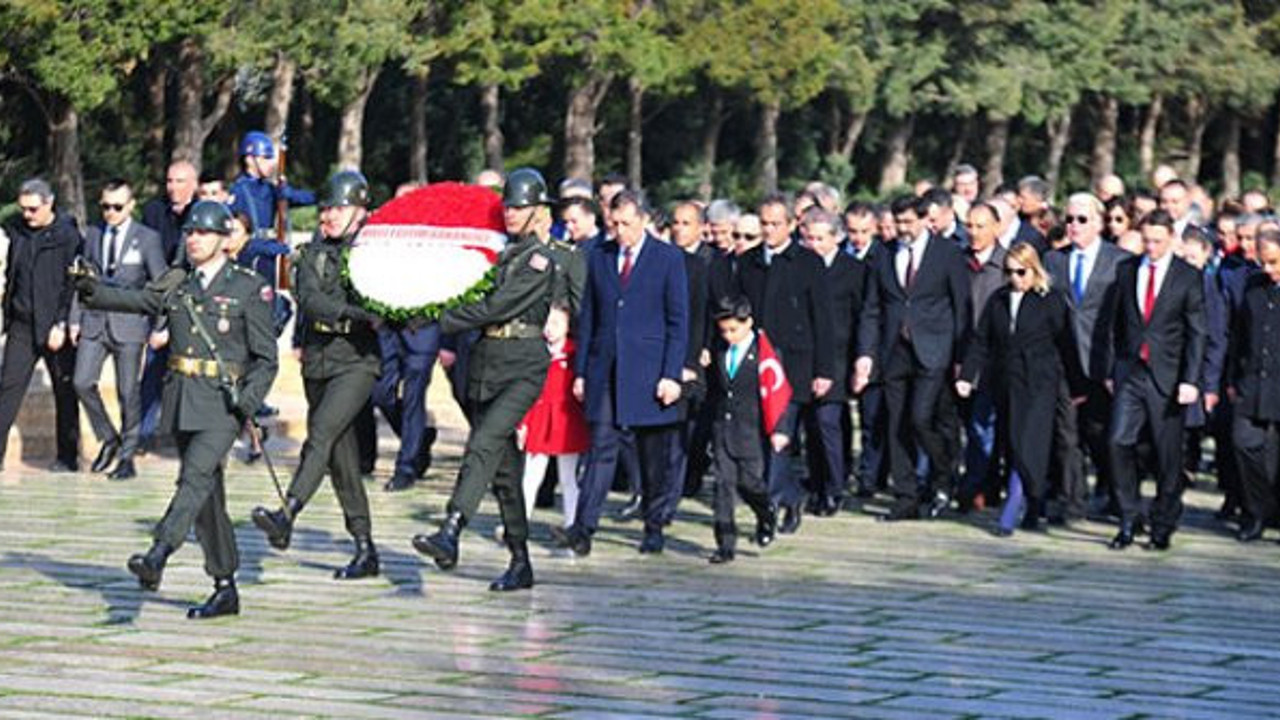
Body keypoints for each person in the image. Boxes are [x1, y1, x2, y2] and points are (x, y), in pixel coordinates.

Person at [75, 200, 278, 618]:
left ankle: (158, 554)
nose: (194, 239)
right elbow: (138, 301)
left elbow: (266, 359)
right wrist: (90, 290)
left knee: (194, 477)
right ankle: (225, 585)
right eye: (190, 232)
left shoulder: (247, 286)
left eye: (203, 233)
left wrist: (250, 402)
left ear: (223, 240)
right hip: (184, 397)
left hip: (225, 402)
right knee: (205, 498)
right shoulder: (178, 281)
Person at [411, 167, 570, 592]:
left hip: (523, 365)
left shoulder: (541, 259)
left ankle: (451, 529)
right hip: (486, 363)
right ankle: (521, 561)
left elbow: (496, 306)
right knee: (503, 471)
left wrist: (437, 317)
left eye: (520, 206)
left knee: (482, 443)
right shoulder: (500, 254)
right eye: (508, 206)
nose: (512, 213)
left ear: (539, 210)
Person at [250, 171, 385, 580]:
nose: (327, 215)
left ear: (360, 211)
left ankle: (287, 512)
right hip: (320, 358)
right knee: (341, 459)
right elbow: (311, 300)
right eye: (325, 208)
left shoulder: (376, 253)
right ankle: (365, 547)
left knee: (322, 433)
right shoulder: (310, 252)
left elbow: (385, 299)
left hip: (357, 362)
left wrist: (365, 314)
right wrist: (357, 315)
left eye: (337, 208)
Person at [566, 190, 689, 555]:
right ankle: (583, 528)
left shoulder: (667, 259)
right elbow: (589, 317)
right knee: (601, 446)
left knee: (652, 455)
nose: (619, 232)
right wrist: (582, 371)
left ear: (644, 221)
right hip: (606, 368)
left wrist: (671, 374)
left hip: (650, 371)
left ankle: (653, 525)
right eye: (613, 224)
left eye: (626, 225)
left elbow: (677, 321)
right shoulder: (600, 257)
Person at [855, 194, 971, 521]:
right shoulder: (883, 254)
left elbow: (961, 306)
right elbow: (872, 308)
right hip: (894, 351)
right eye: (898, 222)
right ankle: (906, 497)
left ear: (924, 219)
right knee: (896, 424)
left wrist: (962, 357)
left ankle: (943, 474)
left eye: (908, 222)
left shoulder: (947, 253)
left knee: (921, 417)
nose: (902, 229)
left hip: (934, 350)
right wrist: (865, 354)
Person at [957, 243, 1085, 536]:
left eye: (1021, 271)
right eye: (1009, 272)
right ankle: (1034, 502)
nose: (1016, 278)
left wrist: (1078, 386)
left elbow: (1067, 344)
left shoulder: (1051, 300)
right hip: (1007, 382)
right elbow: (982, 341)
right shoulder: (999, 300)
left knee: (1030, 443)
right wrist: (967, 375)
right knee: (1014, 441)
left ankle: (1014, 506)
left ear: (1034, 269)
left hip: (1041, 382)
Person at [1107, 210, 1206, 552]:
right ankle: (1129, 517)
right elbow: (1115, 323)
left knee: (1167, 456)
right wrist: (1112, 369)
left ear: (1171, 240)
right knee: (1118, 441)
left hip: (1169, 376)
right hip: (1131, 372)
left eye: (1157, 241)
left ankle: (1163, 523)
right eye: (1146, 240)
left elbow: (1197, 332)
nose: (1150, 247)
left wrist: (1191, 380)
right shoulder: (1126, 270)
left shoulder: (1187, 277)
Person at [735, 195, 834, 533]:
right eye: (763, 223)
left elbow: (823, 320)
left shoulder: (809, 263)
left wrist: (824, 370)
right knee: (759, 440)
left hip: (793, 365)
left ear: (792, 225)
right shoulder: (747, 262)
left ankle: (773, 506)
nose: (769, 230)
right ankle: (790, 495)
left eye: (776, 223)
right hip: (755, 364)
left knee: (780, 437)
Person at [69, 179, 167, 480]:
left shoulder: (146, 238)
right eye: (105, 206)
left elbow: (161, 283)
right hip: (95, 321)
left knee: (128, 391)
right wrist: (74, 318)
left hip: (130, 324)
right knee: (82, 382)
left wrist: (161, 326)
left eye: (117, 206)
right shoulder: (95, 233)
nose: (110, 212)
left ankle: (127, 456)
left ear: (131, 205)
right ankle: (109, 438)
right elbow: (82, 278)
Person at [1045, 193, 1130, 520]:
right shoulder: (1054, 261)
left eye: (1081, 219)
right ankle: (1072, 501)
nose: (1074, 225)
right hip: (1064, 361)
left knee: (1105, 434)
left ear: (1098, 221)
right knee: (1067, 434)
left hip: (1104, 361)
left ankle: (1115, 494)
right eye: (1069, 219)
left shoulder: (1120, 261)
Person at [0, 178, 82, 473]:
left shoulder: (67, 235)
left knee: (65, 390)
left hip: (54, 326)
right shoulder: (18, 231)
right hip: (22, 323)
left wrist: (62, 322)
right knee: (7, 389)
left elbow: (73, 285)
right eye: (23, 209)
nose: (28, 215)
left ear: (49, 203)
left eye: (33, 209)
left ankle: (68, 457)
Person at [706, 296, 785, 563]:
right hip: (722, 428)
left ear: (748, 323)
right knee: (723, 487)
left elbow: (778, 394)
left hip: (752, 429)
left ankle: (766, 514)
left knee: (750, 483)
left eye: (734, 330)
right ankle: (725, 545)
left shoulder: (765, 354)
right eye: (724, 330)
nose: (728, 336)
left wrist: (779, 429)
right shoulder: (719, 349)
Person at [800, 208, 862, 516]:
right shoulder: (799, 266)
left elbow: (861, 316)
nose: (813, 244)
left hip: (838, 357)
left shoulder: (852, 270)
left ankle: (835, 488)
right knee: (811, 426)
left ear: (836, 237)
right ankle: (816, 484)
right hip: (804, 356)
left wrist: (860, 360)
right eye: (808, 237)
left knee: (828, 424)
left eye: (820, 238)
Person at [516, 304, 588, 532]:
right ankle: (519, 524)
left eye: (556, 323)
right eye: (547, 323)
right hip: (539, 419)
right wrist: (522, 424)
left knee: (569, 478)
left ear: (567, 327)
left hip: (567, 422)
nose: (550, 329)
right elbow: (525, 392)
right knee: (530, 476)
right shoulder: (534, 354)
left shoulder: (575, 355)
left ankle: (572, 524)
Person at [1229, 232, 1280, 542]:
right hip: (1252, 381)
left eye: (1274, 262)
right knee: (1244, 442)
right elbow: (1239, 334)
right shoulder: (1253, 285)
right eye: (1263, 261)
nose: (1268, 268)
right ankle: (1257, 511)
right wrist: (1232, 378)